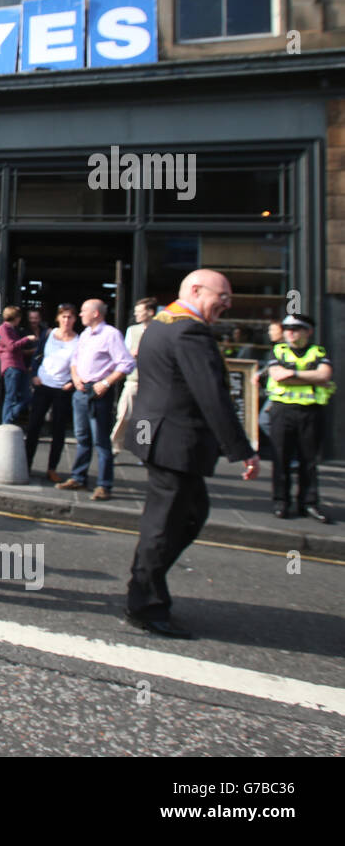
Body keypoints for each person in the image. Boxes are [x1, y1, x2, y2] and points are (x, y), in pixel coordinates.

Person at [124, 270, 258, 638]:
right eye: (223, 296)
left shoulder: (161, 323)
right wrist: (242, 449)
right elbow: (212, 393)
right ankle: (145, 603)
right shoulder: (189, 329)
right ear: (196, 290)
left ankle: (144, 587)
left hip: (157, 434)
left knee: (185, 515)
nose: (227, 305)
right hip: (174, 440)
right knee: (168, 522)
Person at [58, 299, 134, 500]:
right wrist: (75, 378)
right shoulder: (84, 335)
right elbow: (75, 361)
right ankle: (78, 478)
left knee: (101, 441)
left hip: (98, 392)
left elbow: (126, 363)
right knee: (82, 438)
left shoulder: (111, 335)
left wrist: (106, 383)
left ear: (96, 314)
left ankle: (104, 485)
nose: (80, 314)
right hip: (81, 390)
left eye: (83, 311)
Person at [266, 313, 333, 523]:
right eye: (287, 329)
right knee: (281, 458)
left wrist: (292, 374)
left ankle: (309, 503)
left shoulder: (317, 352)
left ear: (308, 332)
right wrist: (308, 377)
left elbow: (324, 375)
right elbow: (277, 375)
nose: (290, 333)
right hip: (282, 411)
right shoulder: (278, 350)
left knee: (309, 461)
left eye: (295, 329)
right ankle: (281, 501)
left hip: (310, 412)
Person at [25, 303, 78, 482]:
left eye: (70, 317)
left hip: (62, 388)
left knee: (59, 430)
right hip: (43, 385)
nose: (66, 320)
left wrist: (72, 382)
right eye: (63, 316)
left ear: (75, 319)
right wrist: (33, 374)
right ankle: (26, 464)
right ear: (58, 318)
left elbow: (80, 365)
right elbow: (37, 355)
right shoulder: (48, 334)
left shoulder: (78, 340)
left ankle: (52, 468)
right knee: (33, 427)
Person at [110, 297, 157, 454]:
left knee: (145, 418)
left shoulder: (159, 330)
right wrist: (133, 354)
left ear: (150, 312)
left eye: (139, 311)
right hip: (134, 380)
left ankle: (142, 450)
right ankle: (115, 445)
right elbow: (124, 354)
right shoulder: (132, 330)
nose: (136, 314)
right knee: (124, 414)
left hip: (152, 382)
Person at [0, 305, 36, 425]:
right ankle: (6, 421)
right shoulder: (4, 328)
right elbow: (11, 346)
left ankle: (10, 417)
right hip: (11, 366)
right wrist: (27, 339)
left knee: (26, 396)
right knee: (11, 396)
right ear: (16, 317)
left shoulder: (13, 329)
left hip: (19, 366)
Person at [255, 320, 283, 462]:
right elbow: (268, 368)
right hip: (274, 393)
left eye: (273, 330)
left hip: (281, 394)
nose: (270, 333)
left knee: (265, 421)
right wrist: (259, 374)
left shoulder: (283, 350)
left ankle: (285, 453)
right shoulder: (277, 349)